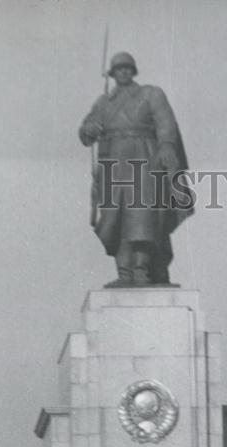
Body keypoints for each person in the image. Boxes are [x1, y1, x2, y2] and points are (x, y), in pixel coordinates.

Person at [79, 51, 193, 287]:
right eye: (118, 69)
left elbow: (165, 122)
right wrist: (90, 129)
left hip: (143, 158)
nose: (123, 72)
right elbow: (86, 131)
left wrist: (167, 147)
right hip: (113, 163)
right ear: (112, 74)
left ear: (133, 71)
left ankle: (141, 269)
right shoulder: (103, 103)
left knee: (142, 217)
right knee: (115, 219)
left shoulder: (150, 94)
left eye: (127, 68)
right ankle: (124, 273)